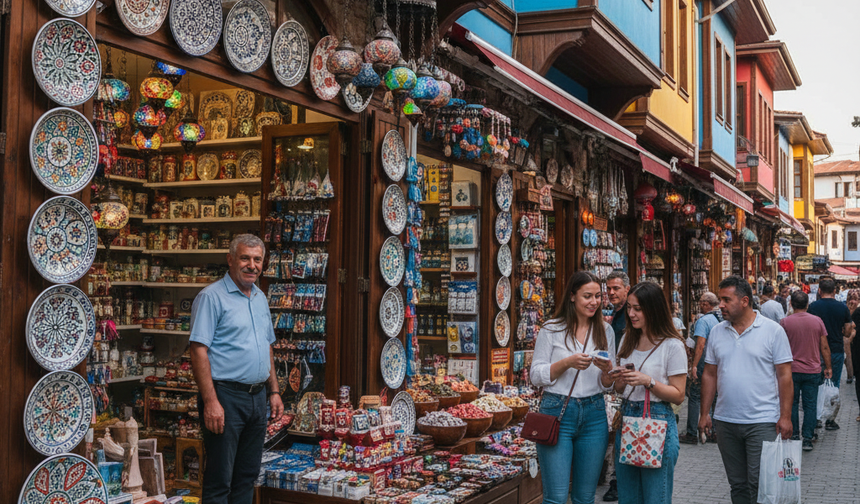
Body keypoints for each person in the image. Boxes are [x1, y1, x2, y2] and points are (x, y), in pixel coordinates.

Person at [190, 234, 284, 504]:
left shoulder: (259, 298)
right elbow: (198, 350)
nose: (251, 265)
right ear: (230, 259)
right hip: (225, 397)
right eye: (245, 258)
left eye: (257, 260)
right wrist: (211, 401)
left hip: (256, 399)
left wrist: (274, 391)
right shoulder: (211, 297)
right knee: (220, 479)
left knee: (247, 475)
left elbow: (267, 346)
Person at [699, 276, 793, 504]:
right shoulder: (717, 332)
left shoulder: (772, 331)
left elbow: (785, 376)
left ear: (744, 301)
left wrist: (786, 416)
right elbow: (709, 374)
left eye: (725, 300)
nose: (720, 305)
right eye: (719, 299)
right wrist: (704, 414)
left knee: (759, 482)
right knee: (738, 484)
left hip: (762, 421)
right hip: (726, 421)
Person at [531, 272, 616, 504]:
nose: (594, 302)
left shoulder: (605, 330)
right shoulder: (552, 329)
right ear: (572, 297)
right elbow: (536, 375)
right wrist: (567, 363)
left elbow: (608, 384)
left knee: (585, 497)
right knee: (556, 497)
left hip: (594, 413)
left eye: (598, 296)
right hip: (557, 410)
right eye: (587, 296)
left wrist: (608, 372)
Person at [613, 282, 687, 504]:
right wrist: (615, 377)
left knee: (656, 496)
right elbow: (619, 389)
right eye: (629, 308)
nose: (632, 314)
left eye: (638, 309)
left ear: (653, 309)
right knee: (628, 497)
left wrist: (648, 381)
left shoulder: (672, 345)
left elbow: (678, 395)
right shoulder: (628, 338)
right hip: (627, 419)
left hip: (658, 420)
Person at [780, 291, 832, 451]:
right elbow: (824, 346)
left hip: (791, 370)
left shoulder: (784, 322)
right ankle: (808, 438)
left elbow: (779, 347)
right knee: (810, 405)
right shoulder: (817, 321)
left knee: (792, 403)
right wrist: (828, 366)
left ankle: (794, 434)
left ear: (791, 304)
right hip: (812, 370)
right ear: (807, 304)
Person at [808, 277, 853, 429]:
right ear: (835, 291)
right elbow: (847, 332)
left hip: (817, 352)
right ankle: (830, 420)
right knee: (833, 385)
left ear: (819, 291)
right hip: (836, 351)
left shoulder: (813, 307)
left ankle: (816, 418)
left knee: (816, 385)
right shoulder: (842, 307)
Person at [601, 271, 629, 502]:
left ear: (627, 289)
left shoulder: (630, 313)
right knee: (617, 432)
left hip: (624, 381)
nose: (611, 293)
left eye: (616, 288)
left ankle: (617, 484)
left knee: (620, 432)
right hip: (616, 379)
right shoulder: (617, 313)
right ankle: (615, 481)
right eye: (608, 288)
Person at [679, 292, 721, 445]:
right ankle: (714, 431)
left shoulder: (704, 321)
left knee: (695, 395)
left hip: (705, 362)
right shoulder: (720, 318)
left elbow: (700, 345)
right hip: (717, 363)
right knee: (714, 396)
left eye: (701, 302)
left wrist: (694, 365)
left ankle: (691, 432)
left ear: (705, 304)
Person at [845, 289, 860, 384]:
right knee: (849, 356)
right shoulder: (848, 308)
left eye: (855, 298)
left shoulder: (857, 311)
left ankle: (852, 374)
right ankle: (850, 374)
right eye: (851, 298)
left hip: (854, 338)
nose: (852, 301)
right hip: (852, 338)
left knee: (851, 355)